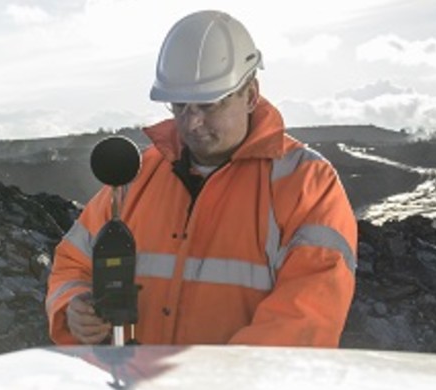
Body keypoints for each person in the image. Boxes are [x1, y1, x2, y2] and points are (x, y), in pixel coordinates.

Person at [45, 10, 357, 347]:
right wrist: (72, 307)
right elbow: (72, 263)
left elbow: (306, 317)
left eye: (208, 106)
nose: (191, 123)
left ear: (250, 95)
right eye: (179, 106)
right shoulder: (137, 176)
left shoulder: (306, 184)